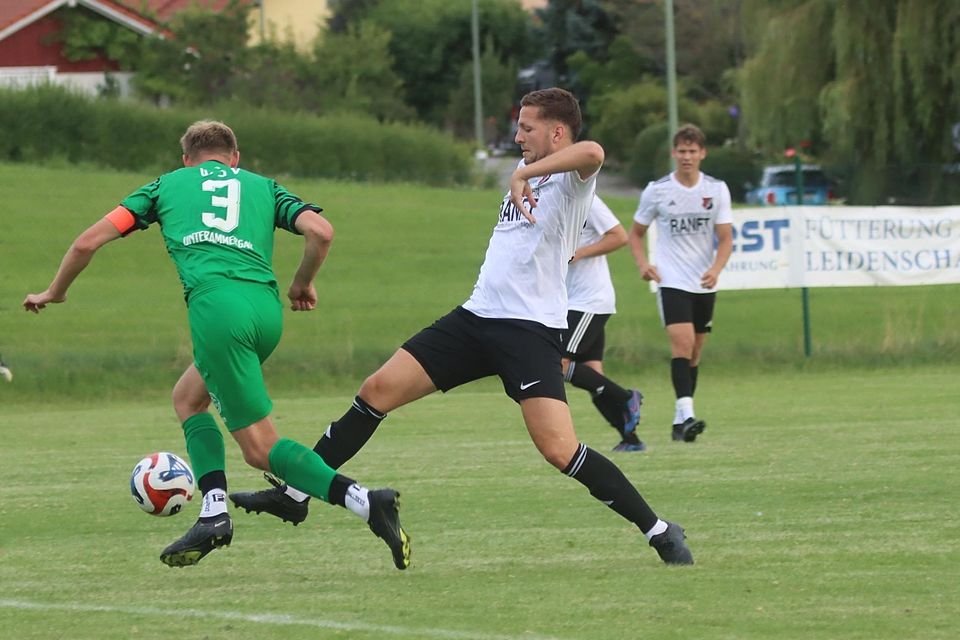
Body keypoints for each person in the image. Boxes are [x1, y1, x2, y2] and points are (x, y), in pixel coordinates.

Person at [231, 89, 694, 565]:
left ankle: (659, 530)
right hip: (475, 318)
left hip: (528, 331)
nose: (517, 137)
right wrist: (522, 173)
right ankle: (295, 494)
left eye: (527, 128)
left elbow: (593, 151)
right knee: (376, 390)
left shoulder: (573, 181)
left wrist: (525, 172)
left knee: (560, 450)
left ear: (557, 132)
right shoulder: (526, 175)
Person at [23, 120, 410, 570]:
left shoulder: (165, 186)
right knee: (188, 398)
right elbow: (321, 232)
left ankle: (366, 501)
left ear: (186, 159)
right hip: (265, 315)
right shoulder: (263, 187)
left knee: (260, 449)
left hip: (217, 314)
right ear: (234, 158)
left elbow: (87, 242)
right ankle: (213, 511)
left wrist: (56, 291)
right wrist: (302, 283)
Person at [628, 123, 733, 443]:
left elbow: (726, 238)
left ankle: (678, 423)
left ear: (702, 153)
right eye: (682, 151)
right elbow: (635, 233)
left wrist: (716, 268)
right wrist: (644, 264)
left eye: (693, 151)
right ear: (674, 153)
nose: (687, 157)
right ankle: (687, 415)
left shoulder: (716, 190)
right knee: (683, 344)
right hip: (671, 280)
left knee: (695, 352)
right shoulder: (657, 190)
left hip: (704, 281)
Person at [562, 195, 645, 452]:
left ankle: (626, 397)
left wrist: (579, 253)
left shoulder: (586, 199)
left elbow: (619, 236)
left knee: (557, 362)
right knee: (593, 375)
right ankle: (630, 439)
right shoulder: (549, 199)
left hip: (588, 300)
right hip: (570, 300)